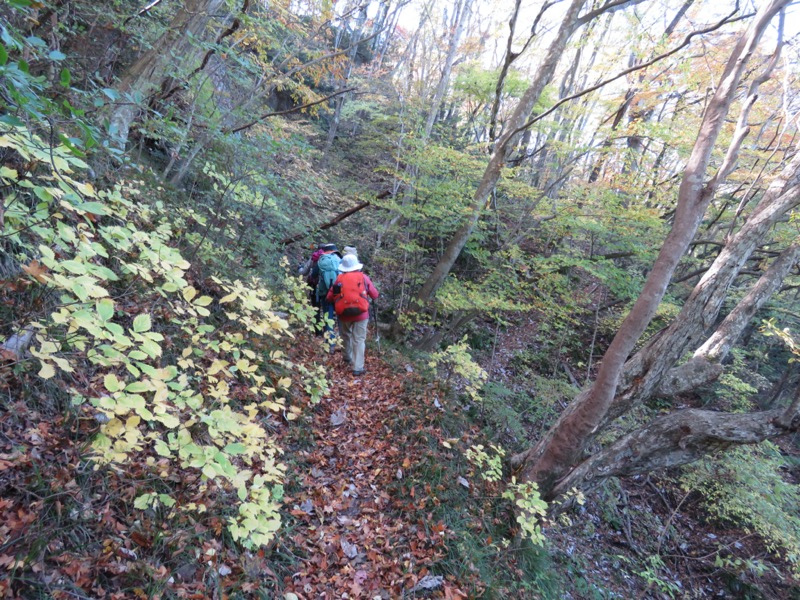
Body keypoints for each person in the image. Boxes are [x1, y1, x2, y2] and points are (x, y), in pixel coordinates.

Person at [326, 254, 379, 376]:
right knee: (359, 339)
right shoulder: (363, 277)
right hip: (361, 314)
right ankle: (357, 367)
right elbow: (375, 294)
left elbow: (329, 297)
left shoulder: (339, 279)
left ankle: (347, 357)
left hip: (343, 314)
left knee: (345, 335)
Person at [316, 244, 341, 350]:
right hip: (338, 292)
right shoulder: (339, 259)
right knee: (340, 317)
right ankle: (341, 342)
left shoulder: (321, 261)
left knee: (328, 316)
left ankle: (329, 343)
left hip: (324, 293)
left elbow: (313, 275)